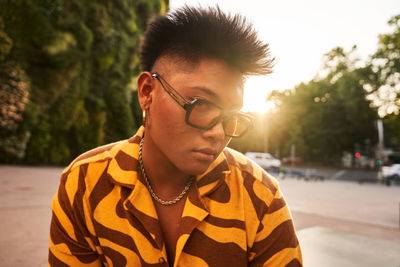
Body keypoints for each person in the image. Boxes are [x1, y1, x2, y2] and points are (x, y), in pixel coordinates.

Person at [48, 6, 302, 267]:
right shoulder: (85, 183)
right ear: (147, 92)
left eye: (230, 116)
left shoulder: (259, 196)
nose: (218, 132)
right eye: (201, 105)